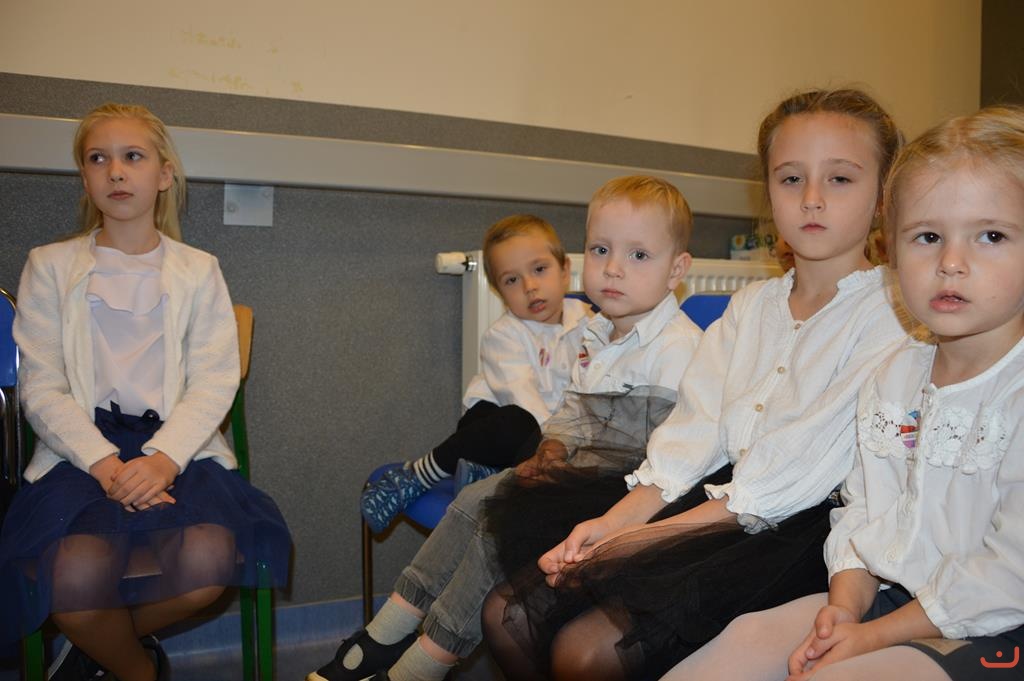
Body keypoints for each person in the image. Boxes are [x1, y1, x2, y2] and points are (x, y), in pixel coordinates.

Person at [481, 88, 913, 681]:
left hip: (796, 532)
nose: (811, 198)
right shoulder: (749, 307)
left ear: (883, 194)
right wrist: (614, 524)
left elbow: (792, 473)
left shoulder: (893, 313)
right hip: (714, 498)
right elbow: (695, 432)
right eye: (791, 178)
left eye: (839, 178)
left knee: (587, 653)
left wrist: (645, 540)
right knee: (508, 614)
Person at [660, 106, 1024, 681]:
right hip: (887, 596)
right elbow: (862, 510)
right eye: (927, 237)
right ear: (892, 247)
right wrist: (844, 608)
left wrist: (871, 636)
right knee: (741, 643)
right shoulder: (897, 374)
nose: (951, 263)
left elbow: (1009, 574)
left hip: (998, 623)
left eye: (991, 236)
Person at [307, 174, 702, 681]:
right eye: (601, 250)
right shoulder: (598, 330)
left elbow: (663, 455)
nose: (613, 268)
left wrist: (563, 466)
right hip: (584, 471)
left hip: (629, 490)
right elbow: (573, 412)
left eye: (639, 255)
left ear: (677, 270)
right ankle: (384, 633)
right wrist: (552, 446)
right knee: (474, 498)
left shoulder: (677, 347)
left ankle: (422, 664)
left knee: (504, 519)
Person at [0, 103, 291, 681]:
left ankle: (101, 648)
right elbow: (42, 386)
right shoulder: (48, 266)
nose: (115, 171)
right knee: (73, 578)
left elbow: (213, 380)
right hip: (81, 455)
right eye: (97, 158)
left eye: (132, 156)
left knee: (209, 563)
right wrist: (107, 466)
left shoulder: (199, 269)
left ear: (163, 174)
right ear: (84, 178)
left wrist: (162, 460)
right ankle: (138, 670)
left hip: (178, 451)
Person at [360, 215, 590, 533]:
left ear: (564, 271)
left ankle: (488, 477)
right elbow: (521, 395)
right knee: (517, 422)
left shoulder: (592, 324)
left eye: (539, 269)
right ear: (499, 291)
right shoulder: (504, 335)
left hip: (541, 443)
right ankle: (415, 476)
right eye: (512, 280)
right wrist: (560, 443)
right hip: (494, 430)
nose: (530, 286)